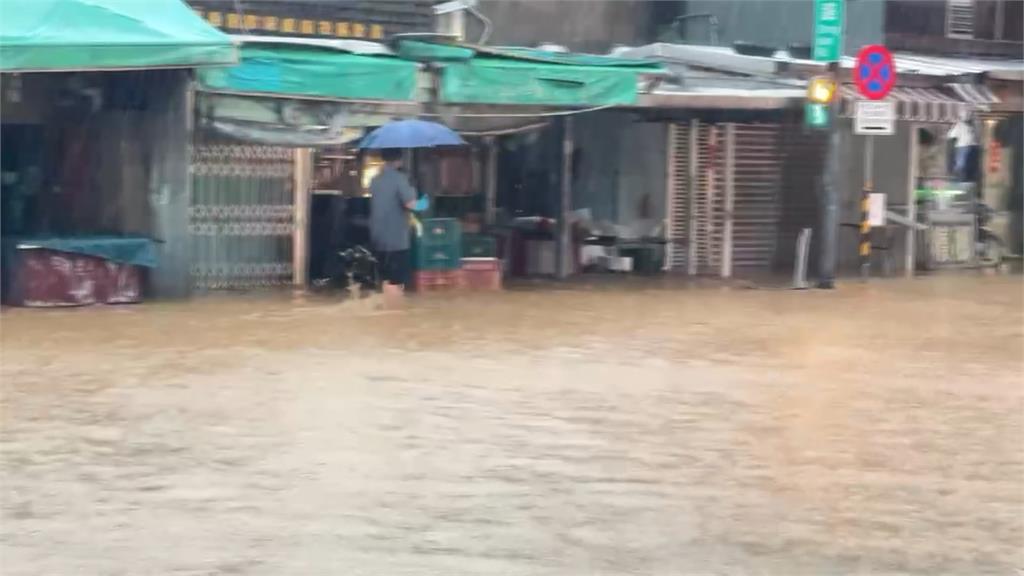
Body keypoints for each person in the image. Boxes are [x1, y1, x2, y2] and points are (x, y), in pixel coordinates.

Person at [369, 148, 418, 289]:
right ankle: (395, 309)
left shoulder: (375, 180)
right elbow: (411, 204)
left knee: (382, 281)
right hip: (397, 240)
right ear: (399, 160)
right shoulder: (400, 179)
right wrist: (422, 200)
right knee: (396, 283)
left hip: (378, 238)